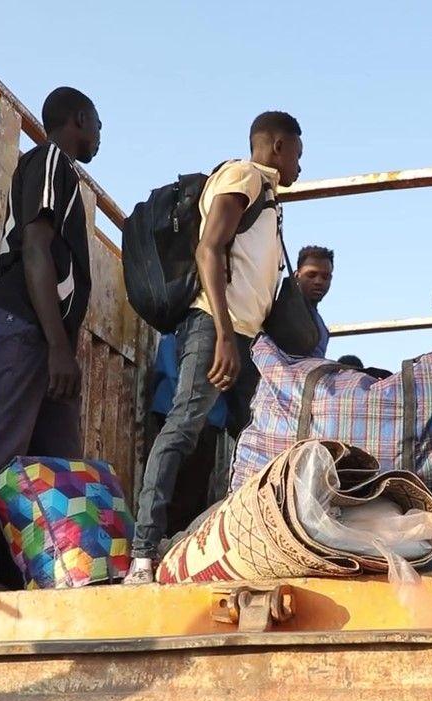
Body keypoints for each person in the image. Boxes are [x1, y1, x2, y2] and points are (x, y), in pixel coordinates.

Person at [126, 111, 304, 584]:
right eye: (298, 157)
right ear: (279, 147)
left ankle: (251, 541)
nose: (300, 170)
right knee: (183, 427)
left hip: (246, 337)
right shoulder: (242, 175)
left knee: (263, 437)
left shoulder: (267, 196)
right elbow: (210, 248)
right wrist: (223, 334)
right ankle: (143, 554)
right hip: (215, 328)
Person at [0, 87, 102, 593]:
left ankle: (49, 579)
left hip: (45, 337)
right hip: (28, 330)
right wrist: (58, 347)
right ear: (78, 119)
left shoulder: (62, 171)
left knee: (56, 468)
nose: (100, 135)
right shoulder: (51, 159)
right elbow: (35, 251)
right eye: (97, 124)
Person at [145, 332, 227, 535]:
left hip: (175, 409)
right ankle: (167, 546)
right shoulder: (213, 329)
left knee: (174, 487)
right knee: (183, 491)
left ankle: (162, 544)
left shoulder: (174, 332)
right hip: (198, 414)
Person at [295, 246, 334, 358]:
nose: (318, 281)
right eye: (311, 275)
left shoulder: (320, 324)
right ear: (297, 276)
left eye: (325, 277)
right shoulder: (283, 312)